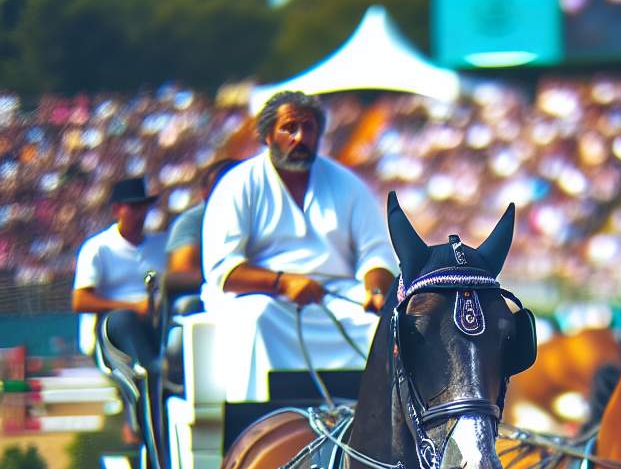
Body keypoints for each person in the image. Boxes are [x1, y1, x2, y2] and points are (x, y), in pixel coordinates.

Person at [201, 90, 397, 401]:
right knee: (256, 320)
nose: (300, 137)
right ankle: (260, 425)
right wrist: (284, 283)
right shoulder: (238, 185)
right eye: (289, 128)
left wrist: (375, 291)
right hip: (263, 299)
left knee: (380, 327)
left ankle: (374, 430)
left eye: (308, 129)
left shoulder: (346, 184)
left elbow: (376, 253)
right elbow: (223, 271)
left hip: (336, 297)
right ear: (268, 135)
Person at [72, 176, 167, 371]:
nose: (140, 214)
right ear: (117, 210)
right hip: (112, 328)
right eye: (133, 207)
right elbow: (80, 301)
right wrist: (133, 307)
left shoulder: (162, 244)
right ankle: (150, 371)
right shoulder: (98, 248)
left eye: (142, 206)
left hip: (156, 322)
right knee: (125, 319)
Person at [163, 158, 240, 305]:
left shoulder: (258, 214)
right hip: (208, 295)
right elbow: (182, 272)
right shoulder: (192, 221)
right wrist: (231, 277)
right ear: (205, 193)